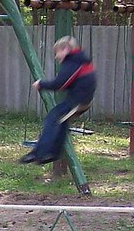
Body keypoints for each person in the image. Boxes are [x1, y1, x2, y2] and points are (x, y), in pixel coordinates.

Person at [20, 35, 97, 165]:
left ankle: (39, 153)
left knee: (52, 119)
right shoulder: (81, 60)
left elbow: (61, 83)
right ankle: (53, 153)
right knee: (61, 123)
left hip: (77, 101)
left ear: (66, 49)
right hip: (83, 99)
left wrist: (41, 84)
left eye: (57, 53)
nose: (56, 57)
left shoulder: (72, 61)